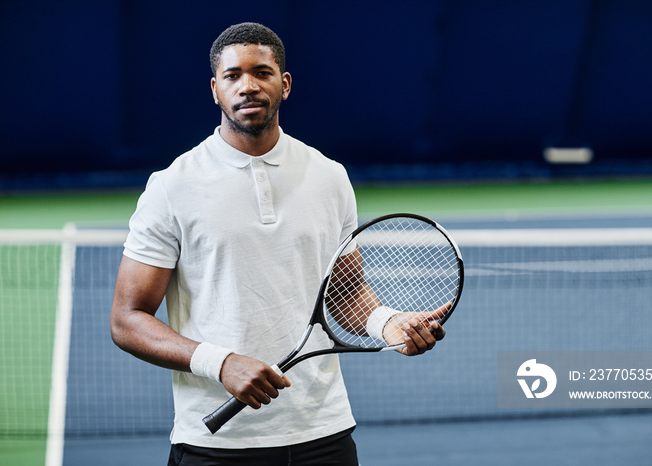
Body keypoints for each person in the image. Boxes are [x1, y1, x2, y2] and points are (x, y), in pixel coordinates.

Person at [110, 22, 446, 466]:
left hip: (324, 432)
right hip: (216, 444)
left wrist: (389, 325)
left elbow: (346, 297)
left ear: (284, 84)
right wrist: (221, 362)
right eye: (233, 76)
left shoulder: (330, 177)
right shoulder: (172, 186)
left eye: (262, 72)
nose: (247, 86)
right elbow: (127, 319)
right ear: (215, 89)